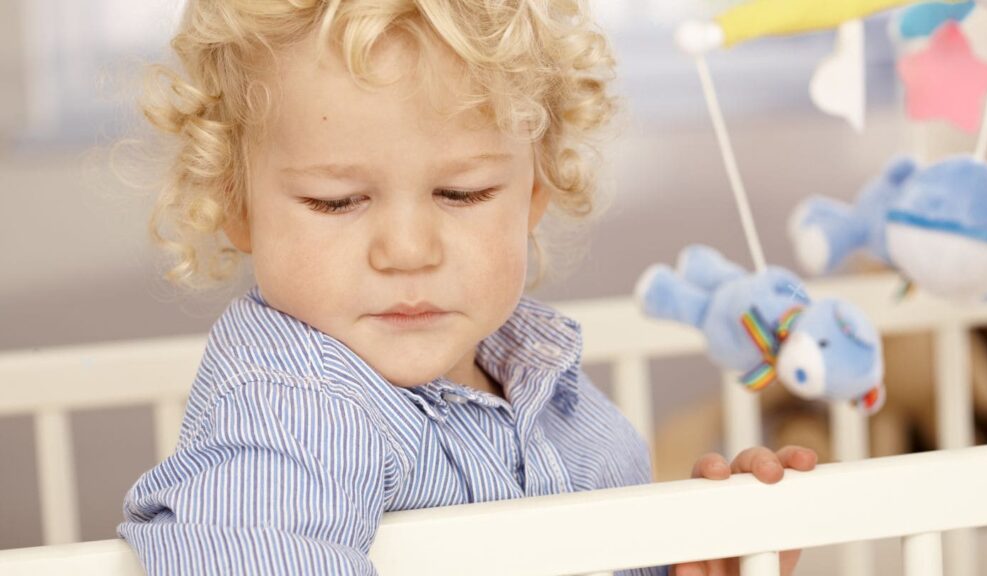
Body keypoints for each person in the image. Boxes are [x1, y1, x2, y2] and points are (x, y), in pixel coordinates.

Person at [117, 1, 817, 574]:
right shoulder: (295, 409)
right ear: (237, 205)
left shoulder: (551, 390)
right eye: (337, 201)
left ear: (535, 191)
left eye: (462, 192)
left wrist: (688, 561)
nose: (408, 250)